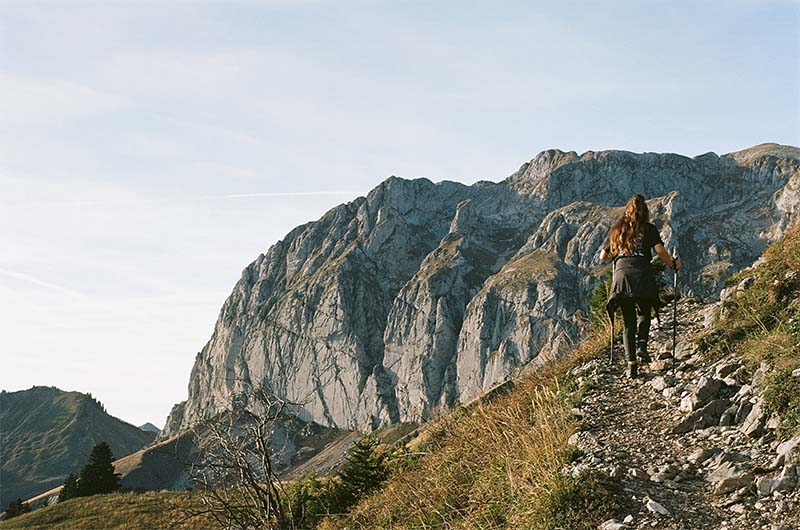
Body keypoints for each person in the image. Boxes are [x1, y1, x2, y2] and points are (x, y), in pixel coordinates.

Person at [600, 194, 681, 378]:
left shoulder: (617, 229)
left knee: (628, 322)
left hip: (622, 276)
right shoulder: (649, 229)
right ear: (645, 212)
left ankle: (631, 365)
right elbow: (660, 250)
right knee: (644, 312)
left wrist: (617, 253)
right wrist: (673, 264)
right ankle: (642, 346)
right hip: (642, 274)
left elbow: (603, 257)